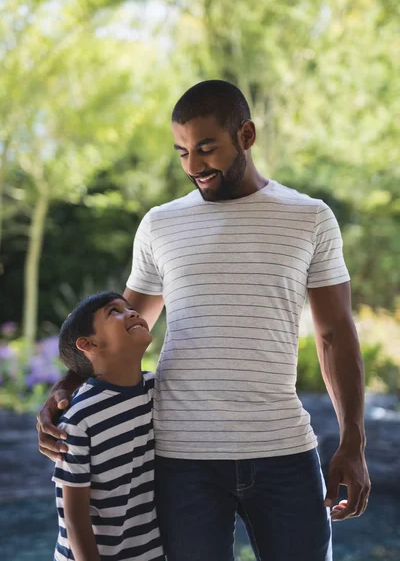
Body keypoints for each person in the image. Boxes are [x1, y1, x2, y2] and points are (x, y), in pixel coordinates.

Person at [38, 80, 370, 561]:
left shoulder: (309, 217)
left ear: (247, 135)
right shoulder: (160, 224)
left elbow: (335, 334)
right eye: (181, 152)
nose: (193, 166)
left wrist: (353, 441)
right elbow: (121, 330)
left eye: (206, 148)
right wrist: (65, 389)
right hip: (181, 458)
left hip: (283, 449)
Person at [52, 291, 164, 561]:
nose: (133, 312)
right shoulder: (80, 418)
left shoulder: (156, 388)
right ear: (88, 344)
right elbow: (75, 517)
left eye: (129, 308)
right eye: (114, 312)